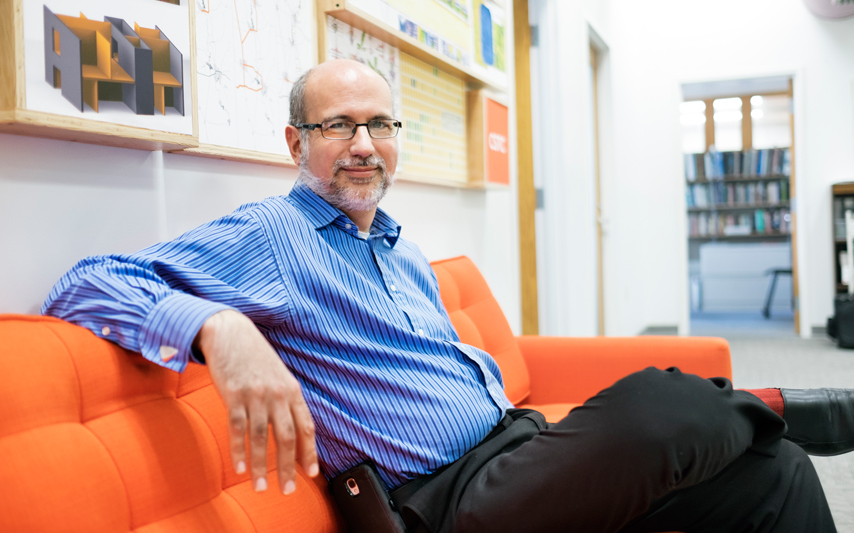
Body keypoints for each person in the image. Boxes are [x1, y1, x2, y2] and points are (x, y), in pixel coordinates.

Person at [43, 59, 852, 532]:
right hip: (448, 502)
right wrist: (220, 327)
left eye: (380, 126)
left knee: (777, 474)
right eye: (338, 128)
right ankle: (773, 400)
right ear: (297, 142)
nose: (364, 146)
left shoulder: (398, 246)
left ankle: (761, 418)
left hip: (519, 445)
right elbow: (85, 283)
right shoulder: (270, 237)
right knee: (657, 409)